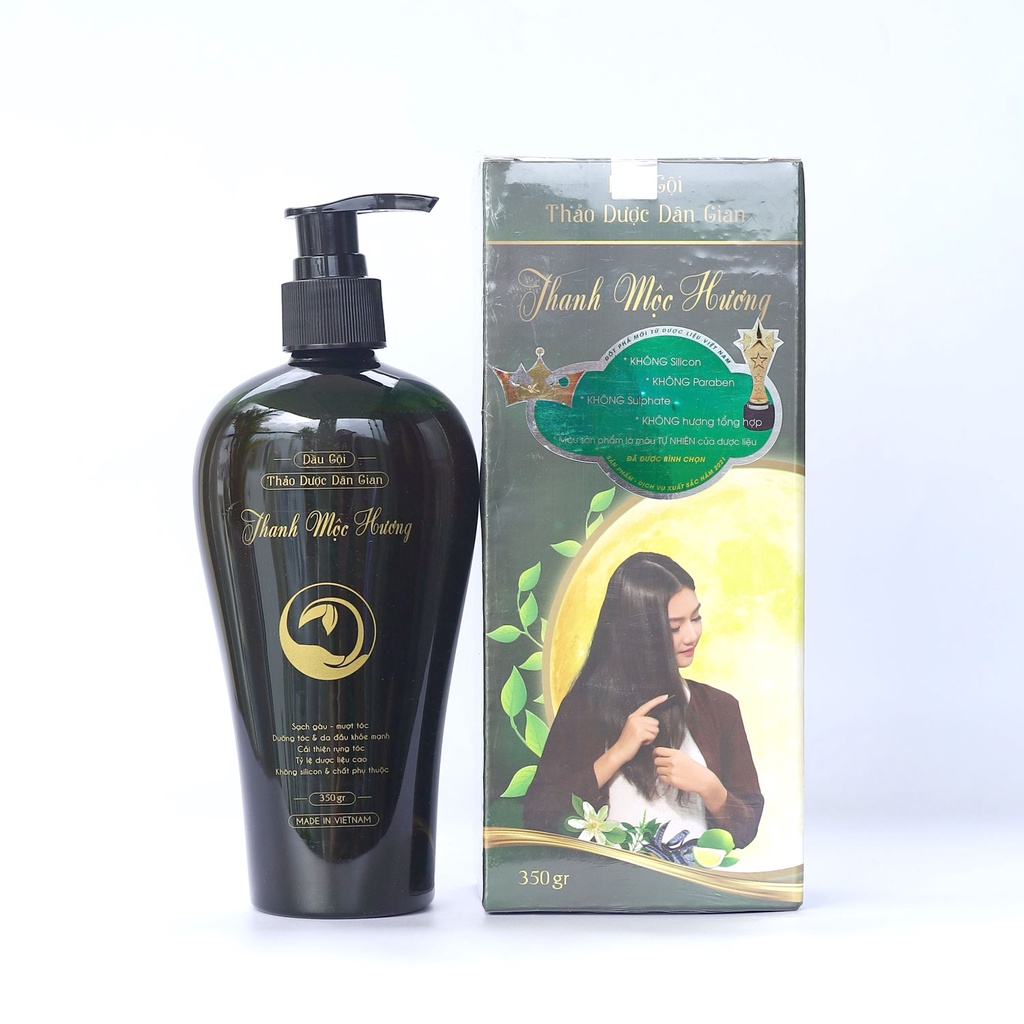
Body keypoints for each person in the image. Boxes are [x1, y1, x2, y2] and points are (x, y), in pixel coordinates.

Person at [524, 552, 763, 849]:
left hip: (691, 876)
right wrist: (616, 755)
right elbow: (538, 816)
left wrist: (709, 786)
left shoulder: (720, 707)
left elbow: (746, 830)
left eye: (696, 618)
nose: (691, 635)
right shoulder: (585, 707)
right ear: (637, 632)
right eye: (674, 627)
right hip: (611, 874)